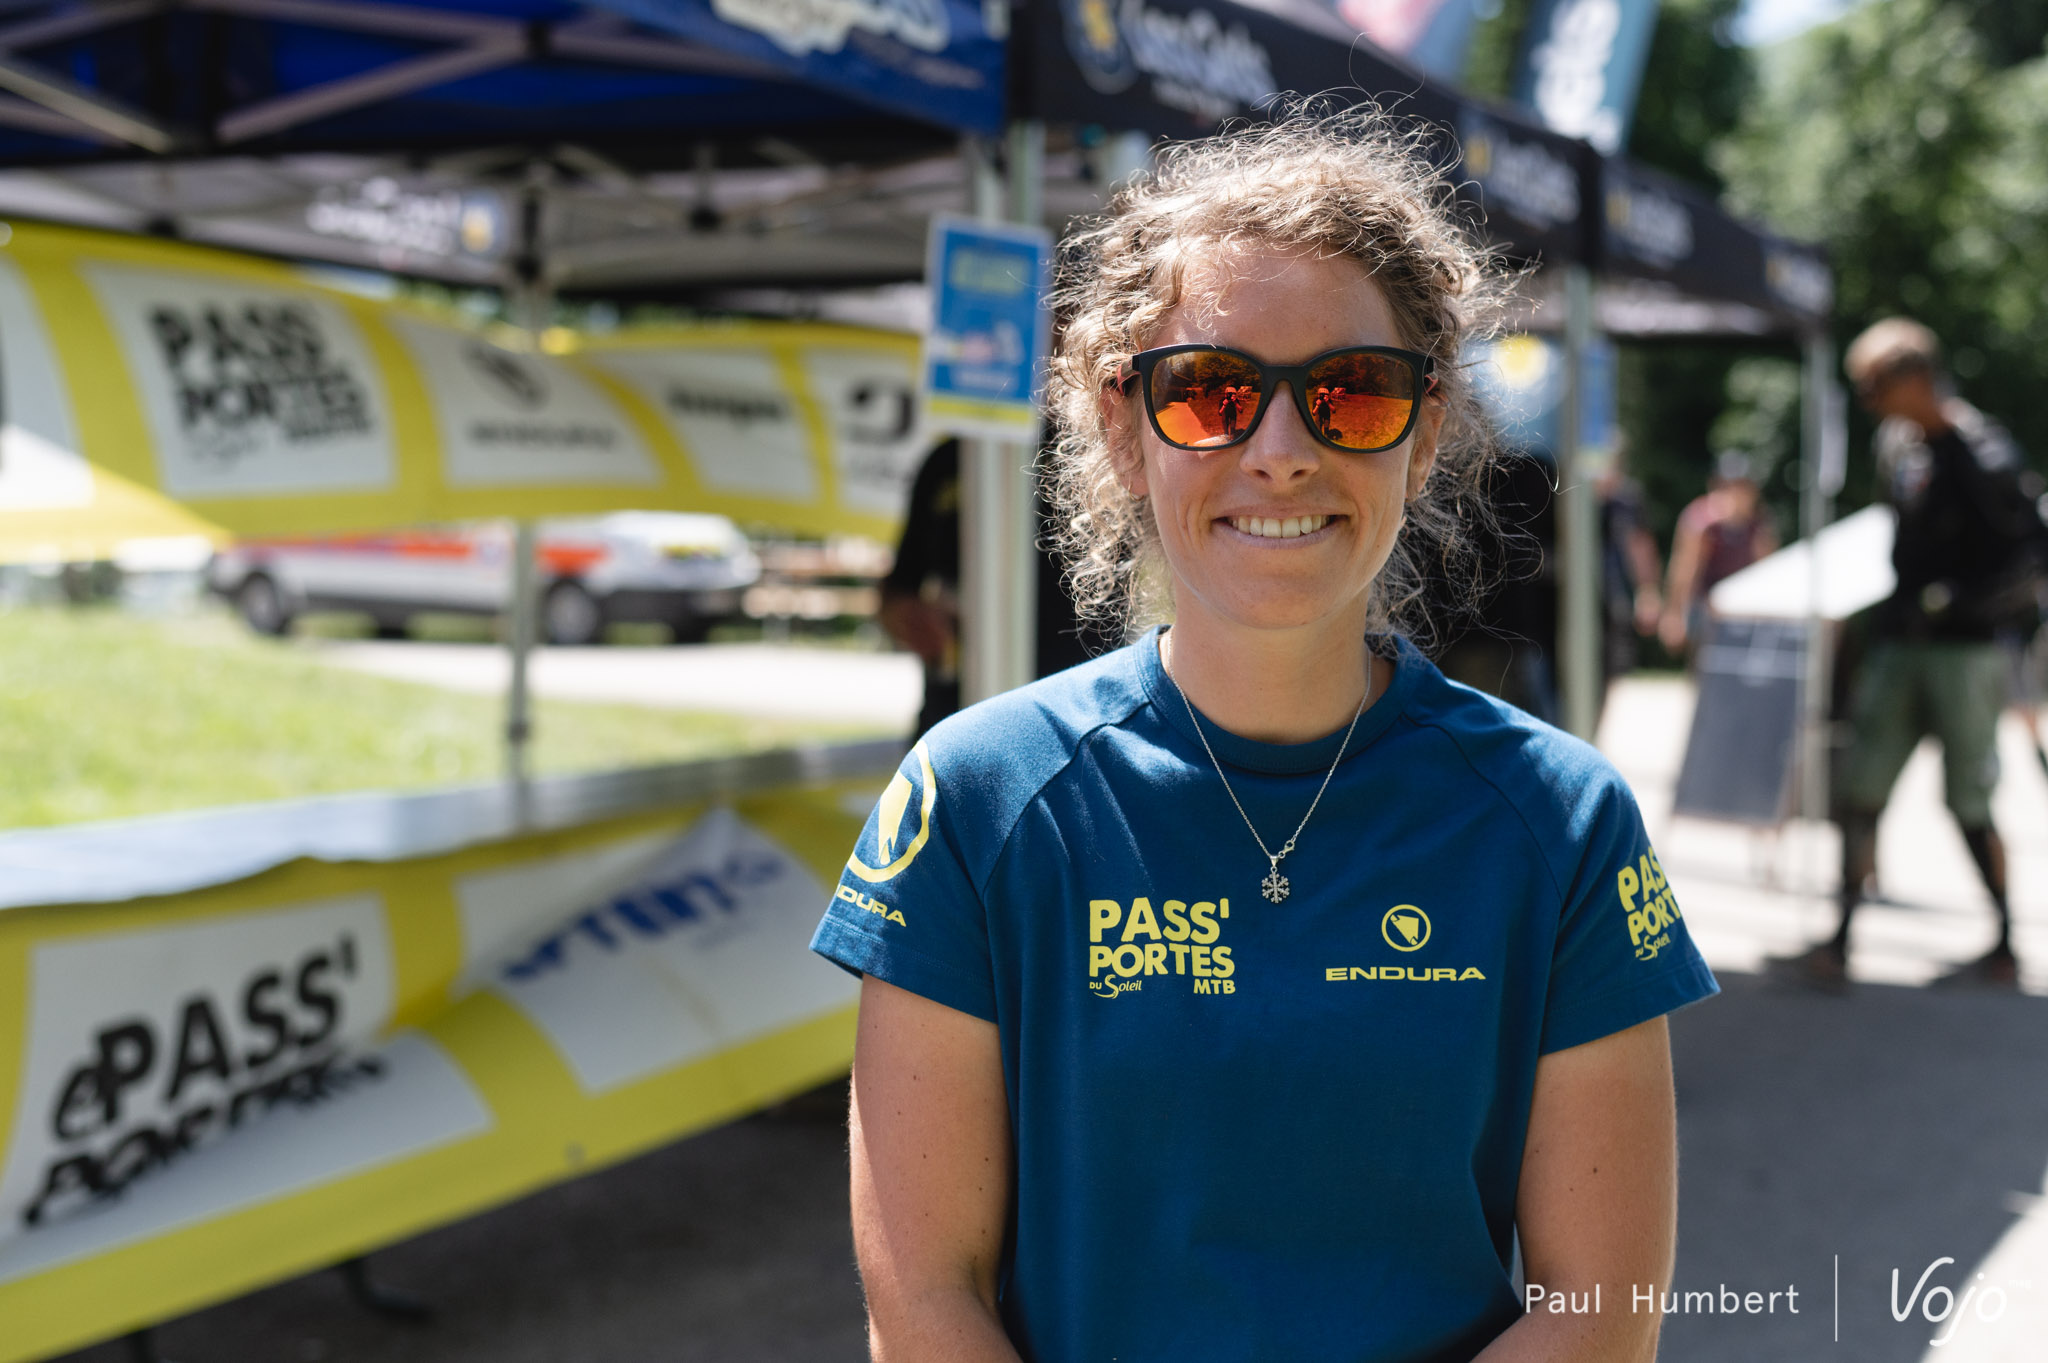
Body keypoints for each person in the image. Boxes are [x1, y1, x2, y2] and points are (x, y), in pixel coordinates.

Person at [812, 109, 1717, 1362]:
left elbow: (1596, 1315)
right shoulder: (975, 799)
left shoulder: (1560, 821)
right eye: (1209, 393)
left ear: (1426, 428)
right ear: (1122, 428)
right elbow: (922, 1303)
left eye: (1351, 392)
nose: (1279, 452)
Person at [1780, 318, 2036, 988]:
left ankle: (2005, 942)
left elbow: (2025, 558)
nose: (1869, 401)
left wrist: (1962, 603)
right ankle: (1838, 940)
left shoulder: (1983, 450)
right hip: (1900, 645)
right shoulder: (1898, 446)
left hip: (1965, 653)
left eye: (1875, 386)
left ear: (1916, 377)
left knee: (1969, 799)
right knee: (1860, 789)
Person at [877, 439, 1100, 738]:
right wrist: (913, 619)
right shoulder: (951, 457)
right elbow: (899, 587)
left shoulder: (1091, 456)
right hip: (954, 711)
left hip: (1069, 717)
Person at [1658, 451, 1777, 658]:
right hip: (1706, 611)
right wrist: (1674, 614)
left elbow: (1766, 572)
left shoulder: (1758, 526)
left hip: (1742, 611)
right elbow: (1685, 569)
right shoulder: (1702, 522)